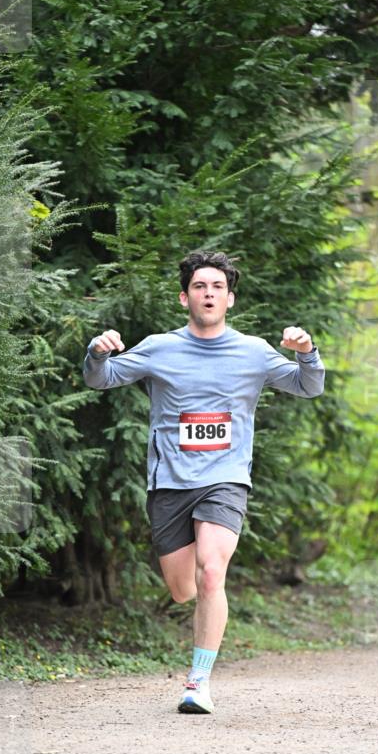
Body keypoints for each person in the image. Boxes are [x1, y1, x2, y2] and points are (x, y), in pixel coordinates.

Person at [83, 249, 325, 714]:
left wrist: (306, 353)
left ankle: (198, 681)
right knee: (184, 589)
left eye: (217, 287)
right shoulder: (160, 347)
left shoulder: (254, 352)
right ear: (184, 298)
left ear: (230, 299)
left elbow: (308, 385)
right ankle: (203, 604)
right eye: (199, 286)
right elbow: (101, 379)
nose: (208, 293)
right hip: (170, 482)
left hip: (225, 479)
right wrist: (96, 353)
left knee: (212, 571)